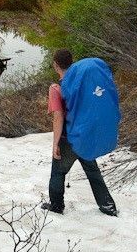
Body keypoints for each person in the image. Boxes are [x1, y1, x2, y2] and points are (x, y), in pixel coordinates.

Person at [41, 49, 118, 216]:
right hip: (84, 136)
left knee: (58, 172)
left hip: (68, 138)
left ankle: (56, 206)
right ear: (72, 62)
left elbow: (58, 117)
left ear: (55, 65)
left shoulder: (56, 88)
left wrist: (55, 143)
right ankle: (108, 206)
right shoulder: (83, 83)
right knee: (93, 171)